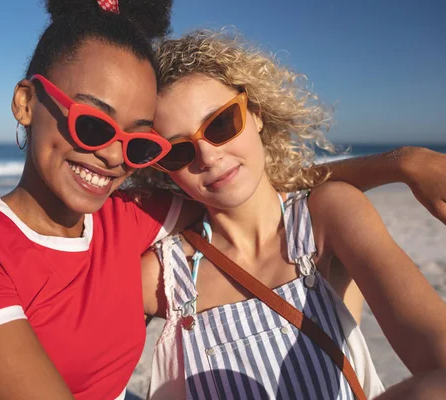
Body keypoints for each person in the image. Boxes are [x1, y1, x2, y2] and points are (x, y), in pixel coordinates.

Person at [0, 1, 446, 399]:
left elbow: (263, 188)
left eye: (141, 144)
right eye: (172, 151)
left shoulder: (137, 219)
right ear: (25, 103)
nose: (110, 156)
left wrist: (403, 164)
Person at [140, 30, 446, 400]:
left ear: (254, 114)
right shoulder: (164, 275)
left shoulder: (326, 218)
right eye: (178, 152)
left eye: (220, 124)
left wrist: (405, 162)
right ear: (161, 168)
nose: (208, 157)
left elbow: (436, 358)